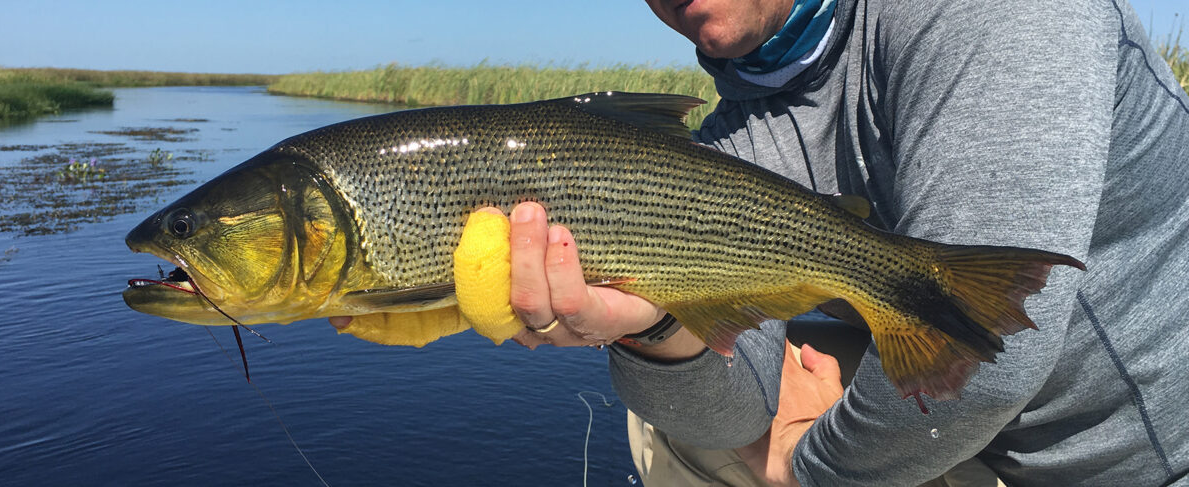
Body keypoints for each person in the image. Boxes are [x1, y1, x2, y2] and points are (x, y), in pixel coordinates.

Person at [335, 0, 1189, 483]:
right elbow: (731, 408)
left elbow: (991, 361)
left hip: (1137, 463)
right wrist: (652, 326)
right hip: (950, 434)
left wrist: (806, 473)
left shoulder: (989, 13)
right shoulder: (734, 138)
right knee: (666, 430)